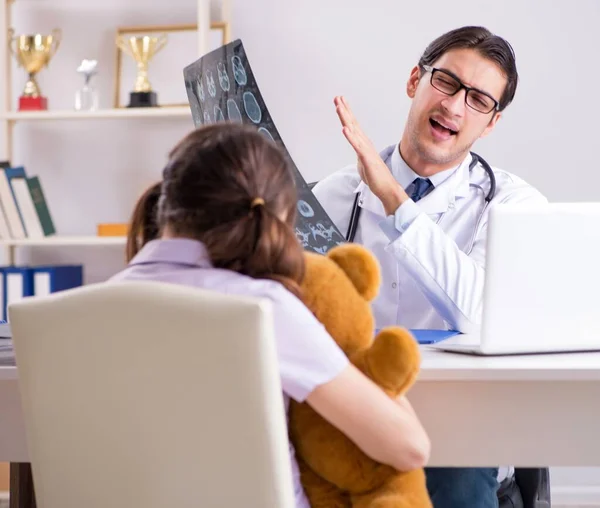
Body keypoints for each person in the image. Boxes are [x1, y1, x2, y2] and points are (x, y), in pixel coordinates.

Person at [111, 123, 431, 508]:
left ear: (166, 201)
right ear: (277, 218)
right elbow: (409, 448)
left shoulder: (76, 316)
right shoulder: (267, 310)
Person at [312, 26, 547, 508]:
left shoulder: (515, 205)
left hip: (461, 454)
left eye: (479, 100)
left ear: (492, 122)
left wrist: (394, 200)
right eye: (446, 82)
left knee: (457, 457)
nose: (455, 107)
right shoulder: (330, 198)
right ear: (415, 80)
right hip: (352, 436)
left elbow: (477, 314)